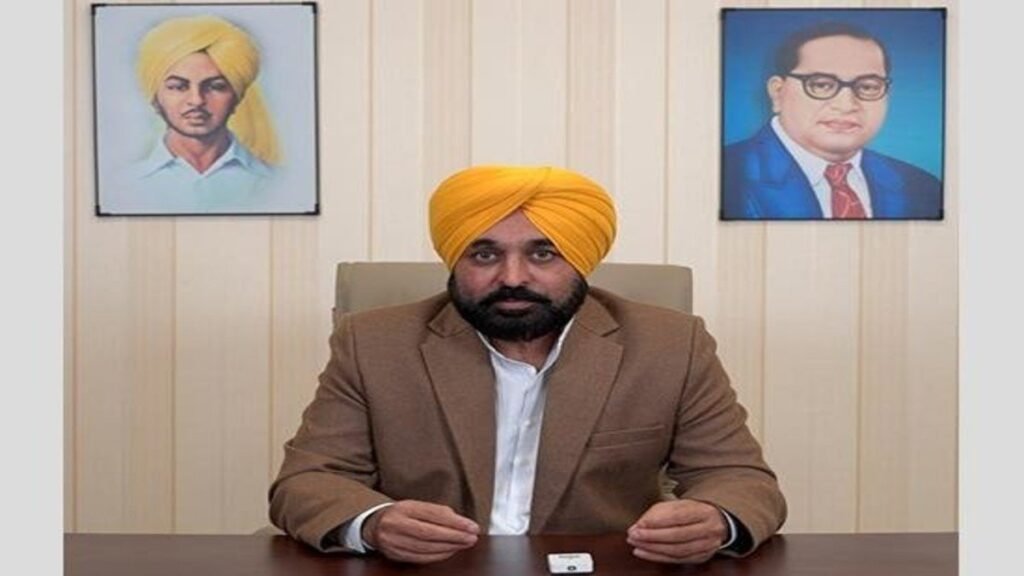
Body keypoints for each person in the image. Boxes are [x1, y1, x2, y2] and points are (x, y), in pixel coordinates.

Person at [269, 165, 786, 565]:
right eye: (484, 255)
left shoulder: (669, 344)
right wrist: (374, 523)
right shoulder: (374, 343)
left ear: (581, 260)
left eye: (543, 255)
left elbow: (739, 477)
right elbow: (307, 481)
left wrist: (715, 518)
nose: (512, 277)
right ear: (454, 260)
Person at [722, 22, 942, 220]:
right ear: (778, 92)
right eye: (821, 85)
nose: (846, 105)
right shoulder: (723, 176)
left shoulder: (922, 187)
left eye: (868, 87)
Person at [108, 15, 279, 213]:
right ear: (155, 99)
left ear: (236, 98)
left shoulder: (275, 182)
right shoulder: (123, 186)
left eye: (215, 87)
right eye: (178, 87)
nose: (196, 100)